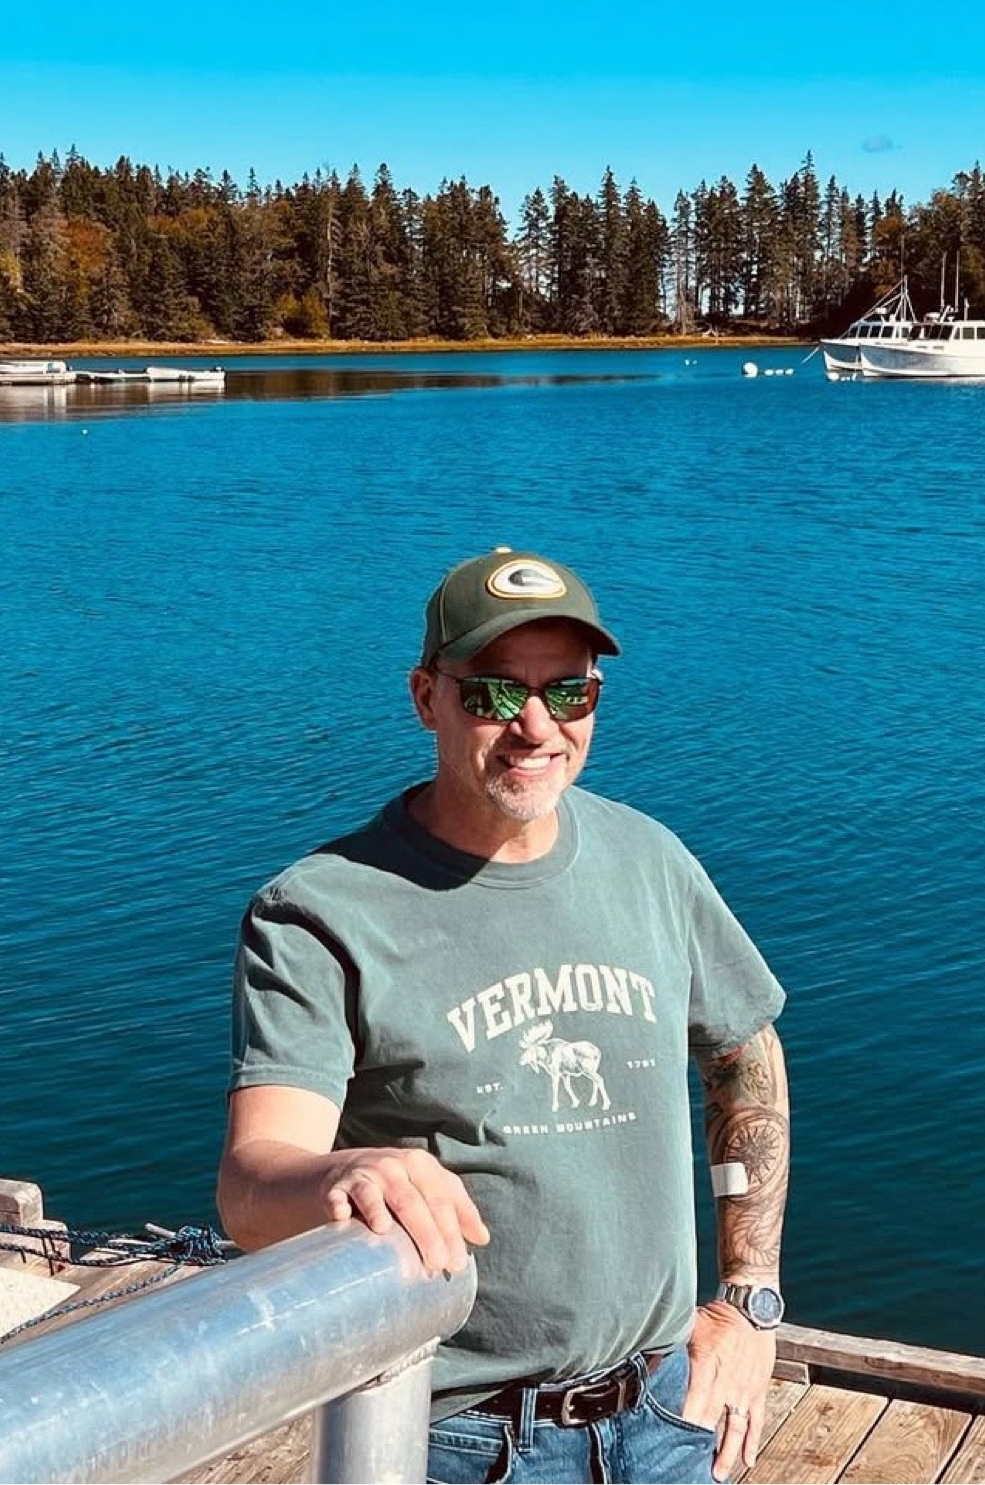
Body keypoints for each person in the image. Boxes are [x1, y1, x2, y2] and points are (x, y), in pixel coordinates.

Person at [218, 547, 791, 1485]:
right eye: (493, 692)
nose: (536, 726)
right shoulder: (318, 911)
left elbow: (743, 1052)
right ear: (426, 698)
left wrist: (750, 1300)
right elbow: (251, 1187)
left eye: (569, 691)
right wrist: (343, 1172)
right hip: (465, 1440)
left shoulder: (649, 859)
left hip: (666, 1411)